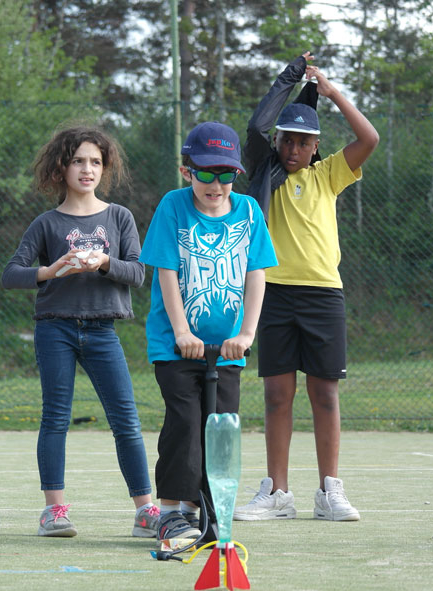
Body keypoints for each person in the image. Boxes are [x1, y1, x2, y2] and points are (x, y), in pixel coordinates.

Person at [234, 53, 379, 522]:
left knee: (325, 394)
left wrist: (334, 93)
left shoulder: (327, 175)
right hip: (272, 293)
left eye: (303, 141)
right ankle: (277, 494)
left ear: (315, 146)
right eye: (287, 140)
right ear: (277, 143)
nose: (293, 148)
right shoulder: (263, 176)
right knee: (277, 395)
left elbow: (369, 138)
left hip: (322, 295)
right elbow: (258, 126)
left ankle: (329, 492)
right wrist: (293, 75)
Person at [2, 126, 159, 538]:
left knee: (126, 420)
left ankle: (145, 511)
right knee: (55, 418)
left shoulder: (119, 216)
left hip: (103, 332)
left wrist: (103, 262)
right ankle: (54, 512)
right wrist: (51, 270)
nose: (86, 169)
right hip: (55, 330)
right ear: (61, 167)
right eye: (77, 161)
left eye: (94, 161)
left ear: (103, 168)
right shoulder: (46, 223)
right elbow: (11, 274)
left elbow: (137, 273)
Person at [140, 122, 277, 544]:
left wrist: (248, 333)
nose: (216, 184)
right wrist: (182, 331)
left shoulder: (249, 212)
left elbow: (256, 276)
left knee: (220, 428)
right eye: (205, 173)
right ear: (188, 172)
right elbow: (166, 271)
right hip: (175, 346)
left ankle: (204, 511)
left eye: (226, 174)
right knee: (185, 422)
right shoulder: (173, 206)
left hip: (227, 349)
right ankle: (169, 512)